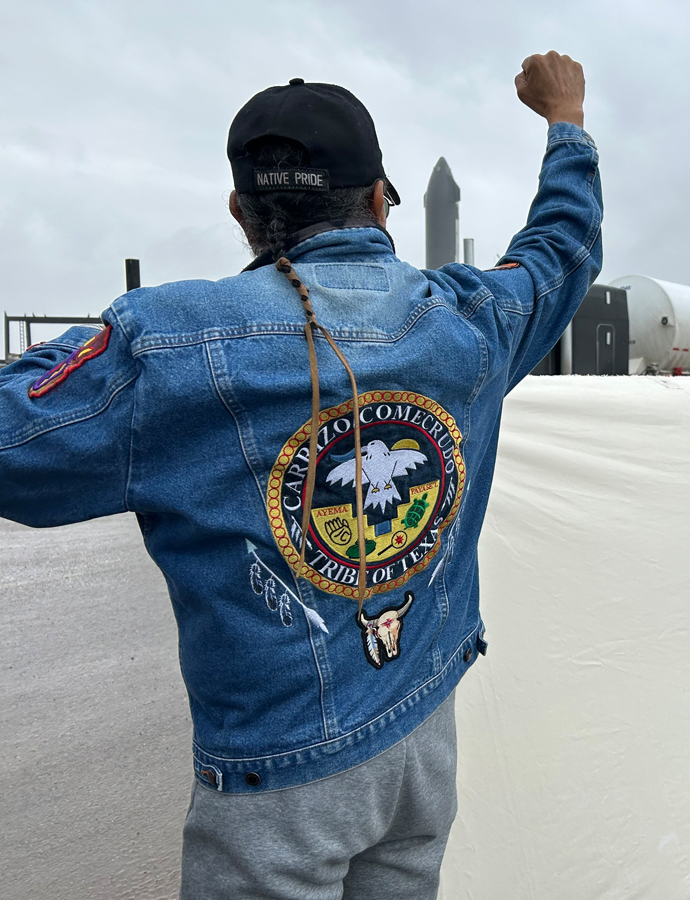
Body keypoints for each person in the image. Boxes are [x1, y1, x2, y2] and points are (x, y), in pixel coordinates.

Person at [0, 52, 600, 899]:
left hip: (277, 786)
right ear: (381, 199)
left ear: (241, 211)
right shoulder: (472, 319)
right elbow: (561, 249)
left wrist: (107, 346)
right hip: (422, 735)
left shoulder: (167, 344)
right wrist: (565, 122)